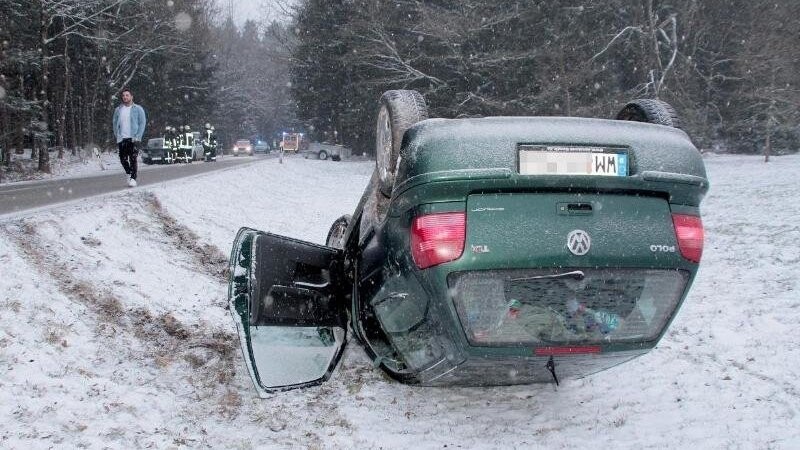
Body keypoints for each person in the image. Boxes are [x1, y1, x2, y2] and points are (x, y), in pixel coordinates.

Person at [112, 88, 146, 187]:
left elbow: (142, 123)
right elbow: (114, 123)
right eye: (123, 95)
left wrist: (138, 135)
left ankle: (133, 178)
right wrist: (116, 134)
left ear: (131, 96)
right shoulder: (118, 110)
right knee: (122, 159)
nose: (125, 97)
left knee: (133, 158)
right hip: (122, 138)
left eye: (127, 95)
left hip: (133, 137)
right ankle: (129, 173)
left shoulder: (138, 109)